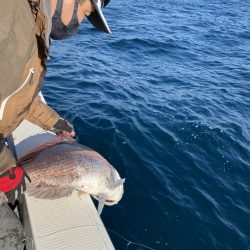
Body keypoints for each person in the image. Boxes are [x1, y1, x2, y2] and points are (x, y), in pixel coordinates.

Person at [0, 0, 111, 249]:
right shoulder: (12, 12)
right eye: (85, 13)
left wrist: (55, 122)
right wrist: (5, 167)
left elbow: (17, 94)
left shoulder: (33, 24)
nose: (79, 24)